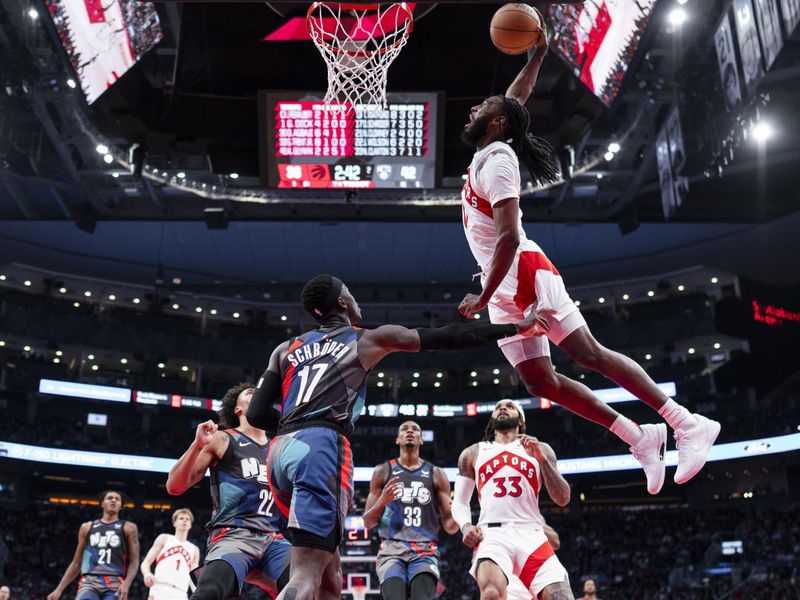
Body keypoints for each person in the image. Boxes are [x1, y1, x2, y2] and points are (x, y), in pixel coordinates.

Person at [457, 13, 719, 495]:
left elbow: (511, 237)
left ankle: (684, 422)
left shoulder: (497, 161)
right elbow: (514, 101)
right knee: (540, 383)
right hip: (501, 286)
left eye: (482, 108)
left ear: (494, 125)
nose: (472, 109)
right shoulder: (493, 144)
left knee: (586, 353)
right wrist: (536, 54)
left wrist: (482, 296)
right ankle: (639, 436)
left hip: (521, 274)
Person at [246, 273, 549, 600]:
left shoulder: (285, 349)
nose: (356, 299)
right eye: (351, 292)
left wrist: (298, 430)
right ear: (343, 302)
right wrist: (517, 326)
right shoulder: (365, 339)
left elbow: (256, 415)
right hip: (320, 447)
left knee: (329, 573)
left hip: (280, 453)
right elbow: (449, 336)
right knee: (304, 574)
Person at [166, 383, 292, 600]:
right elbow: (175, 486)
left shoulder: (281, 448)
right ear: (237, 409)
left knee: (311, 587)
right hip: (234, 535)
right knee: (208, 593)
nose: (257, 394)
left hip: (274, 539)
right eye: (250, 393)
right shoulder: (223, 439)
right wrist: (197, 445)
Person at [452, 400, 573, 600]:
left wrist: (542, 460)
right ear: (492, 419)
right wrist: (465, 526)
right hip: (492, 533)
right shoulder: (473, 452)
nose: (502, 408)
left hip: (531, 532)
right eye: (498, 407)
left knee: (561, 597)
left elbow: (562, 498)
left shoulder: (540, 449)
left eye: (510, 406)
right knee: (491, 593)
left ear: (521, 419)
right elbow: (460, 501)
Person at [362, 420, 459, 600]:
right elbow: (368, 522)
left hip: (424, 550)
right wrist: (382, 501)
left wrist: (459, 511)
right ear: (397, 439)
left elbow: (450, 527)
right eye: (404, 429)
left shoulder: (436, 473)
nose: (410, 431)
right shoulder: (382, 471)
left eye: (415, 429)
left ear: (421, 440)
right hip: (391, 549)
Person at [47, 490, 140, 600]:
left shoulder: (129, 527)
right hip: (89, 581)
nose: (114, 500)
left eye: (117, 499)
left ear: (121, 506)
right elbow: (77, 562)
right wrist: (59, 589)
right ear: (102, 503)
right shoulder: (86, 527)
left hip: (114, 582)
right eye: (110, 498)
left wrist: (127, 583)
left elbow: (134, 561)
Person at [140, 508, 200, 600]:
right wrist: (147, 574)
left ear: (190, 525)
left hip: (181, 594)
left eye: (187, 519)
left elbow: (195, 578)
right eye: (181, 518)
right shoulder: (164, 539)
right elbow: (146, 562)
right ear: (174, 523)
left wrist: (200, 593)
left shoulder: (194, 549)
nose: (184, 520)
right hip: (160, 589)